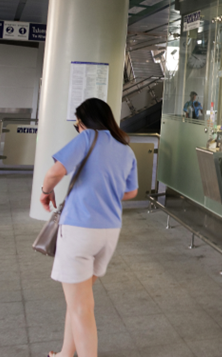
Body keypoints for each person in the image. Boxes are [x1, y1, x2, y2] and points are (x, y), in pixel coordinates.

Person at [38, 98, 138, 357]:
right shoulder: (126, 149)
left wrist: (45, 192)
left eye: (77, 125)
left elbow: (54, 173)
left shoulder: (87, 138)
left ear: (82, 122)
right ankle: (63, 354)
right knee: (77, 300)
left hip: (80, 231)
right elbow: (131, 192)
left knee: (82, 307)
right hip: (109, 233)